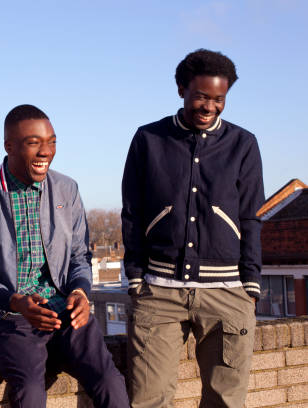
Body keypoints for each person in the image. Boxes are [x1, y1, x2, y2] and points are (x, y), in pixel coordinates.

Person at [122, 49, 264, 407]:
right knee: (149, 400)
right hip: (159, 291)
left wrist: (250, 284)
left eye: (219, 99)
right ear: (182, 89)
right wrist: (136, 276)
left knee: (225, 402)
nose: (209, 107)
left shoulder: (243, 144)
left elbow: (251, 216)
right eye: (201, 96)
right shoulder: (148, 139)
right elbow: (132, 212)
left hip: (227, 293)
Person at [0, 104, 129, 407]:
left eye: (51, 142)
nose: (46, 151)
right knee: (29, 391)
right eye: (33, 142)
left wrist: (80, 291)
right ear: (9, 146)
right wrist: (15, 302)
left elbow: (79, 255)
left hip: (66, 310)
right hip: (12, 318)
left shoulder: (67, 188)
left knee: (109, 380)